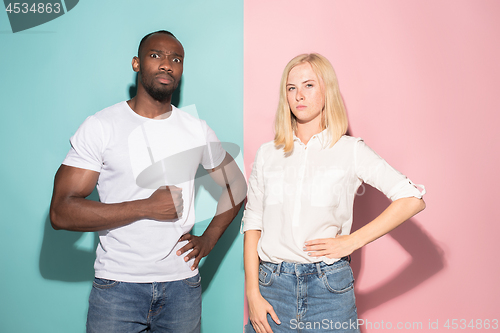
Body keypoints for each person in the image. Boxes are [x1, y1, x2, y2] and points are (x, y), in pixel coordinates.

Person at [50, 30, 247, 333]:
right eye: (156, 55)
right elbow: (61, 212)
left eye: (176, 59)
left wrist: (208, 239)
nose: (167, 64)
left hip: (182, 287)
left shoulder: (196, 129)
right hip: (118, 287)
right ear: (136, 63)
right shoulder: (101, 126)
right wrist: (145, 207)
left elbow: (237, 185)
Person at [242, 53, 426, 333]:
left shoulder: (350, 150)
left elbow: (412, 198)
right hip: (271, 288)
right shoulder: (268, 154)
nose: (298, 95)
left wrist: (352, 241)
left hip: (328, 290)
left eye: (309, 85)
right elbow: (253, 221)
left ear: (327, 90)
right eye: (291, 88)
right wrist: (253, 294)